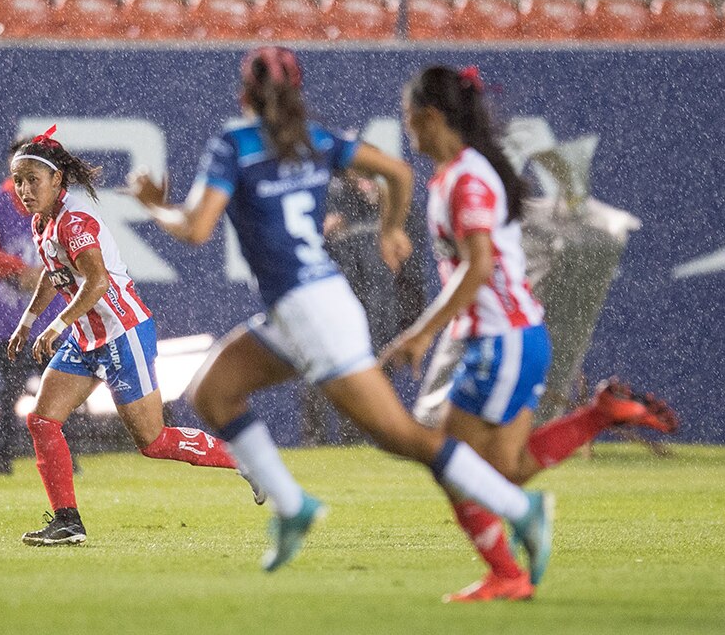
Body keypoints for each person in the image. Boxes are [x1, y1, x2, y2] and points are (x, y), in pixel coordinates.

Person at [127, 46, 554, 580]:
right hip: (306, 307)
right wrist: (391, 228)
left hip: (313, 314)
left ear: (245, 95)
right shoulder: (317, 141)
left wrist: (152, 204)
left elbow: (194, 229)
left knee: (406, 438)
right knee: (212, 390)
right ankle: (292, 507)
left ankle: (522, 509)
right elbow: (398, 172)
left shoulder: (233, 145)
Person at [384, 65, 679, 602]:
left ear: (431, 117)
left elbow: (476, 268)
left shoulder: (467, 179)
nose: (408, 132)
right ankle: (600, 416)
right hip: (517, 338)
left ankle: (509, 571)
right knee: (503, 470)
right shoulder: (462, 173)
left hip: (501, 342)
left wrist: (421, 334)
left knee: (453, 467)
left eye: (409, 120)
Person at [7, 126, 260, 547]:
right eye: (19, 181)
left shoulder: (75, 220)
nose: (25, 189)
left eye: (33, 179)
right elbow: (56, 275)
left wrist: (55, 325)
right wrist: (27, 320)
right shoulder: (43, 223)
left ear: (57, 180)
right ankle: (68, 521)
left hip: (122, 333)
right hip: (86, 337)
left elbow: (97, 283)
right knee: (42, 419)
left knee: (153, 441)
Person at [300, 171, 427, 445]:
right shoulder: (324, 199)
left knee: (367, 391)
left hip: (380, 318)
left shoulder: (396, 207)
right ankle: (315, 445)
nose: (364, 180)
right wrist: (319, 234)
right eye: (355, 170)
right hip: (332, 315)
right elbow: (298, 254)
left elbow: (412, 271)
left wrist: (411, 321)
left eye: (369, 172)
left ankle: (359, 446)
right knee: (320, 378)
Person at [0, 137, 64, 476]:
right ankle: (4, 458)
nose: (23, 180)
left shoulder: (55, 203)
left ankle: (66, 458)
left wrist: (47, 272)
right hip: (9, 317)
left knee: (58, 389)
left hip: (49, 317)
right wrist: (20, 271)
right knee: (7, 391)